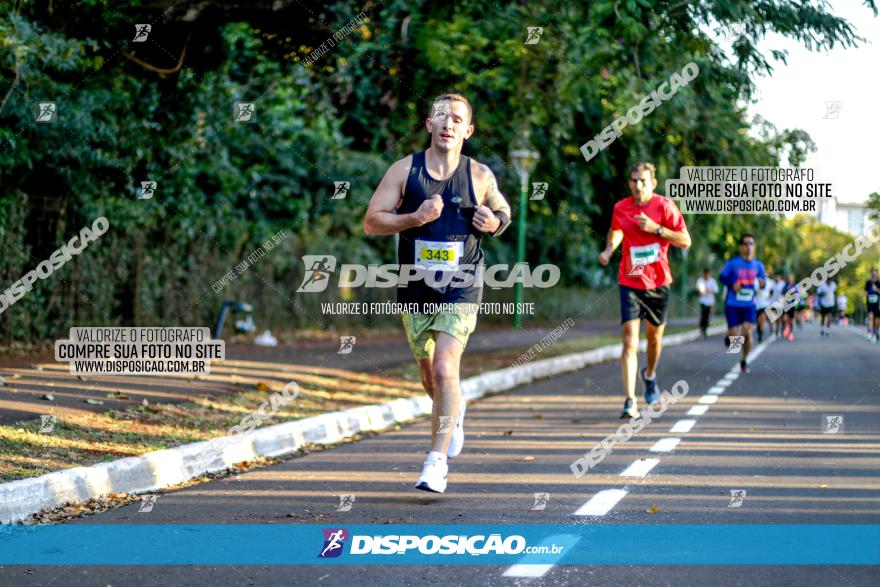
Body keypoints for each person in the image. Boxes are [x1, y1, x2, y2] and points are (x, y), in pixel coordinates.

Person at [363, 93, 512, 493]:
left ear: (468, 130)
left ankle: (436, 461)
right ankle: (454, 413)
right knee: (431, 377)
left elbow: (504, 212)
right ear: (429, 124)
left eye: (457, 119)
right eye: (441, 117)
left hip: (462, 285)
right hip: (415, 286)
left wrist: (492, 221)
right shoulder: (403, 171)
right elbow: (371, 222)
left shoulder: (480, 175)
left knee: (446, 368)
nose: (449, 124)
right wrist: (414, 218)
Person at [598, 161, 691, 419]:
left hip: (658, 283)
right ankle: (630, 400)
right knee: (629, 340)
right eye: (634, 180)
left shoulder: (664, 206)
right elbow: (616, 230)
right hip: (629, 280)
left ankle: (649, 375)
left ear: (653, 183)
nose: (638, 185)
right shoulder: (621, 207)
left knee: (654, 339)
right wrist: (608, 249)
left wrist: (656, 229)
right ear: (630, 182)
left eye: (643, 181)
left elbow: (685, 240)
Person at [718, 234, 767, 372]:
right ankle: (731, 336)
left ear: (754, 246)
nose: (748, 246)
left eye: (751, 243)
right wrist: (732, 284)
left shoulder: (758, 265)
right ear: (741, 247)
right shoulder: (733, 263)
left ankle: (744, 360)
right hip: (732, 304)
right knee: (735, 339)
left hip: (749, 305)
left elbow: (762, 282)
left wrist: (762, 283)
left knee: (747, 331)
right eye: (745, 244)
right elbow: (722, 277)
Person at [696, 268, 718, 338]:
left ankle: (705, 330)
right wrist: (706, 291)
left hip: (710, 302)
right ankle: (701, 329)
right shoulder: (700, 281)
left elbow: (715, 291)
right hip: (702, 301)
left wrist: (708, 290)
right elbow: (701, 291)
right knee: (703, 315)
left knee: (707, 316)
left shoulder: (712, 281)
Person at [754, 271, 775, 343]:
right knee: (758, 320)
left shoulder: (771, 282)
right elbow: (754, 291)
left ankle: (762, 333)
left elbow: (773, 291)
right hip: (758, 304)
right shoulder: (756, 281)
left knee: (763, 318)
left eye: (766, 273)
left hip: (767, 304)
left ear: (767, 274)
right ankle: (760, 331)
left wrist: (771, 295)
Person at [781, 274, 800, 341]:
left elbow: (798, 295)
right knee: (784, 318)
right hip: (786, 304)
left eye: (791, 278)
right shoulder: (786, 286)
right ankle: (785, 328)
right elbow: (782, 293)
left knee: (791, 319)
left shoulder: (795, 286)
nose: (790, 279)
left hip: (792, 305)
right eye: (789, 278)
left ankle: (790, 331)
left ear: (793, 279)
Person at [865, 268, 880, 342]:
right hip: (870, 302)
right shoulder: (868, 282)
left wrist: (876, 289)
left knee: (877, 321)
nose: (874, 275)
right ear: (871, 274)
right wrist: (868, 293)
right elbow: (865, 292)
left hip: (877, 303)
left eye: (875, 274)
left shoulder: (879, 283)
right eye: (872, 274)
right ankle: (870, 333)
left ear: (877, 274)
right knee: (870, 317)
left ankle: (876, 331)